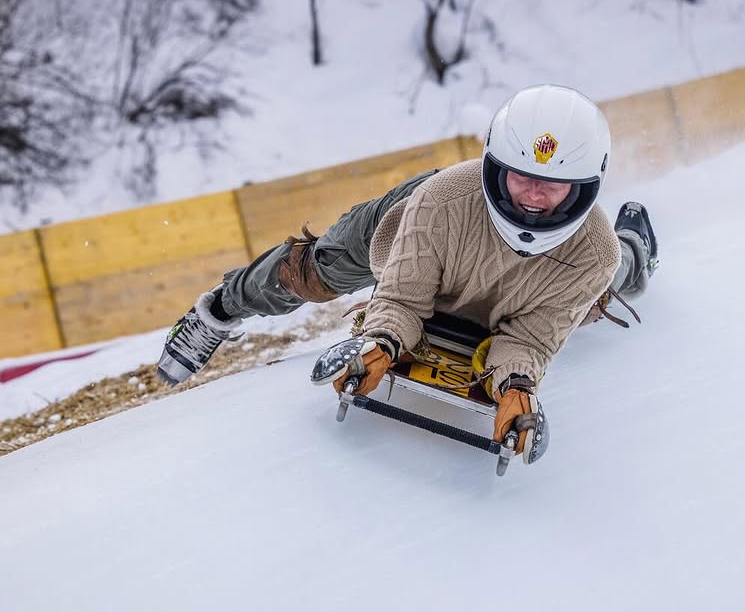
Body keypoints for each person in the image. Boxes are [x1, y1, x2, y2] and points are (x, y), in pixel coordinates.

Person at [157, 84, 658, 461]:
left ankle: (636, 242)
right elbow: (402, 300)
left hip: (557, 272)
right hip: (398, 240)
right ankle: (217, 312)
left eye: (553, 185)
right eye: (522, 175)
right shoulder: (437, 202)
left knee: (607, 284)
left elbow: (531, 337)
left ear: (585, 185)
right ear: (495, 165)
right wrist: (381, 342)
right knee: (310, 273)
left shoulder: (593, 252)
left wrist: (517, 385)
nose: (531, 194)